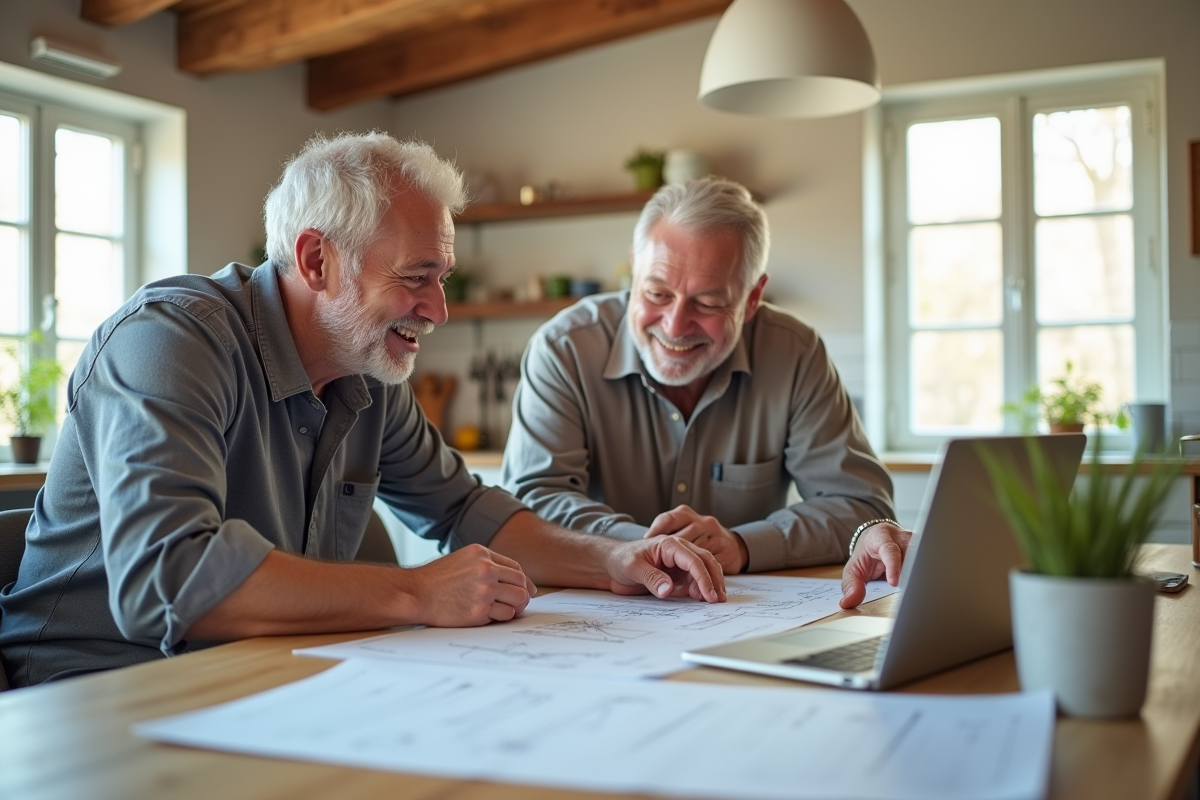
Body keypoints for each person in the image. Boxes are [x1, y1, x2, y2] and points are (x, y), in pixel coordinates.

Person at [0, 133, 725, 688]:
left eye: (441, 279)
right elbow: (171, 582)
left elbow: (470, 511)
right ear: (316, 260)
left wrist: (615, 560)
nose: (437, 310)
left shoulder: (367, 376)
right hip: (90, 687)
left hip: (256, 676)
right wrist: (414, 592)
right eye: (416, 277)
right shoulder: (171, 341)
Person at [501, 177, 909, 607]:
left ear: (752, 299)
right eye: (656, 293)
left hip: (740, 615)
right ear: (634, 268)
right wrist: (640, 551)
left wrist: (742, 545)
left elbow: (862, 508)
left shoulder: (795, 353)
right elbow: (530, 507)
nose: (675, 326)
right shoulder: (564, 348)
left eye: (709, 303)